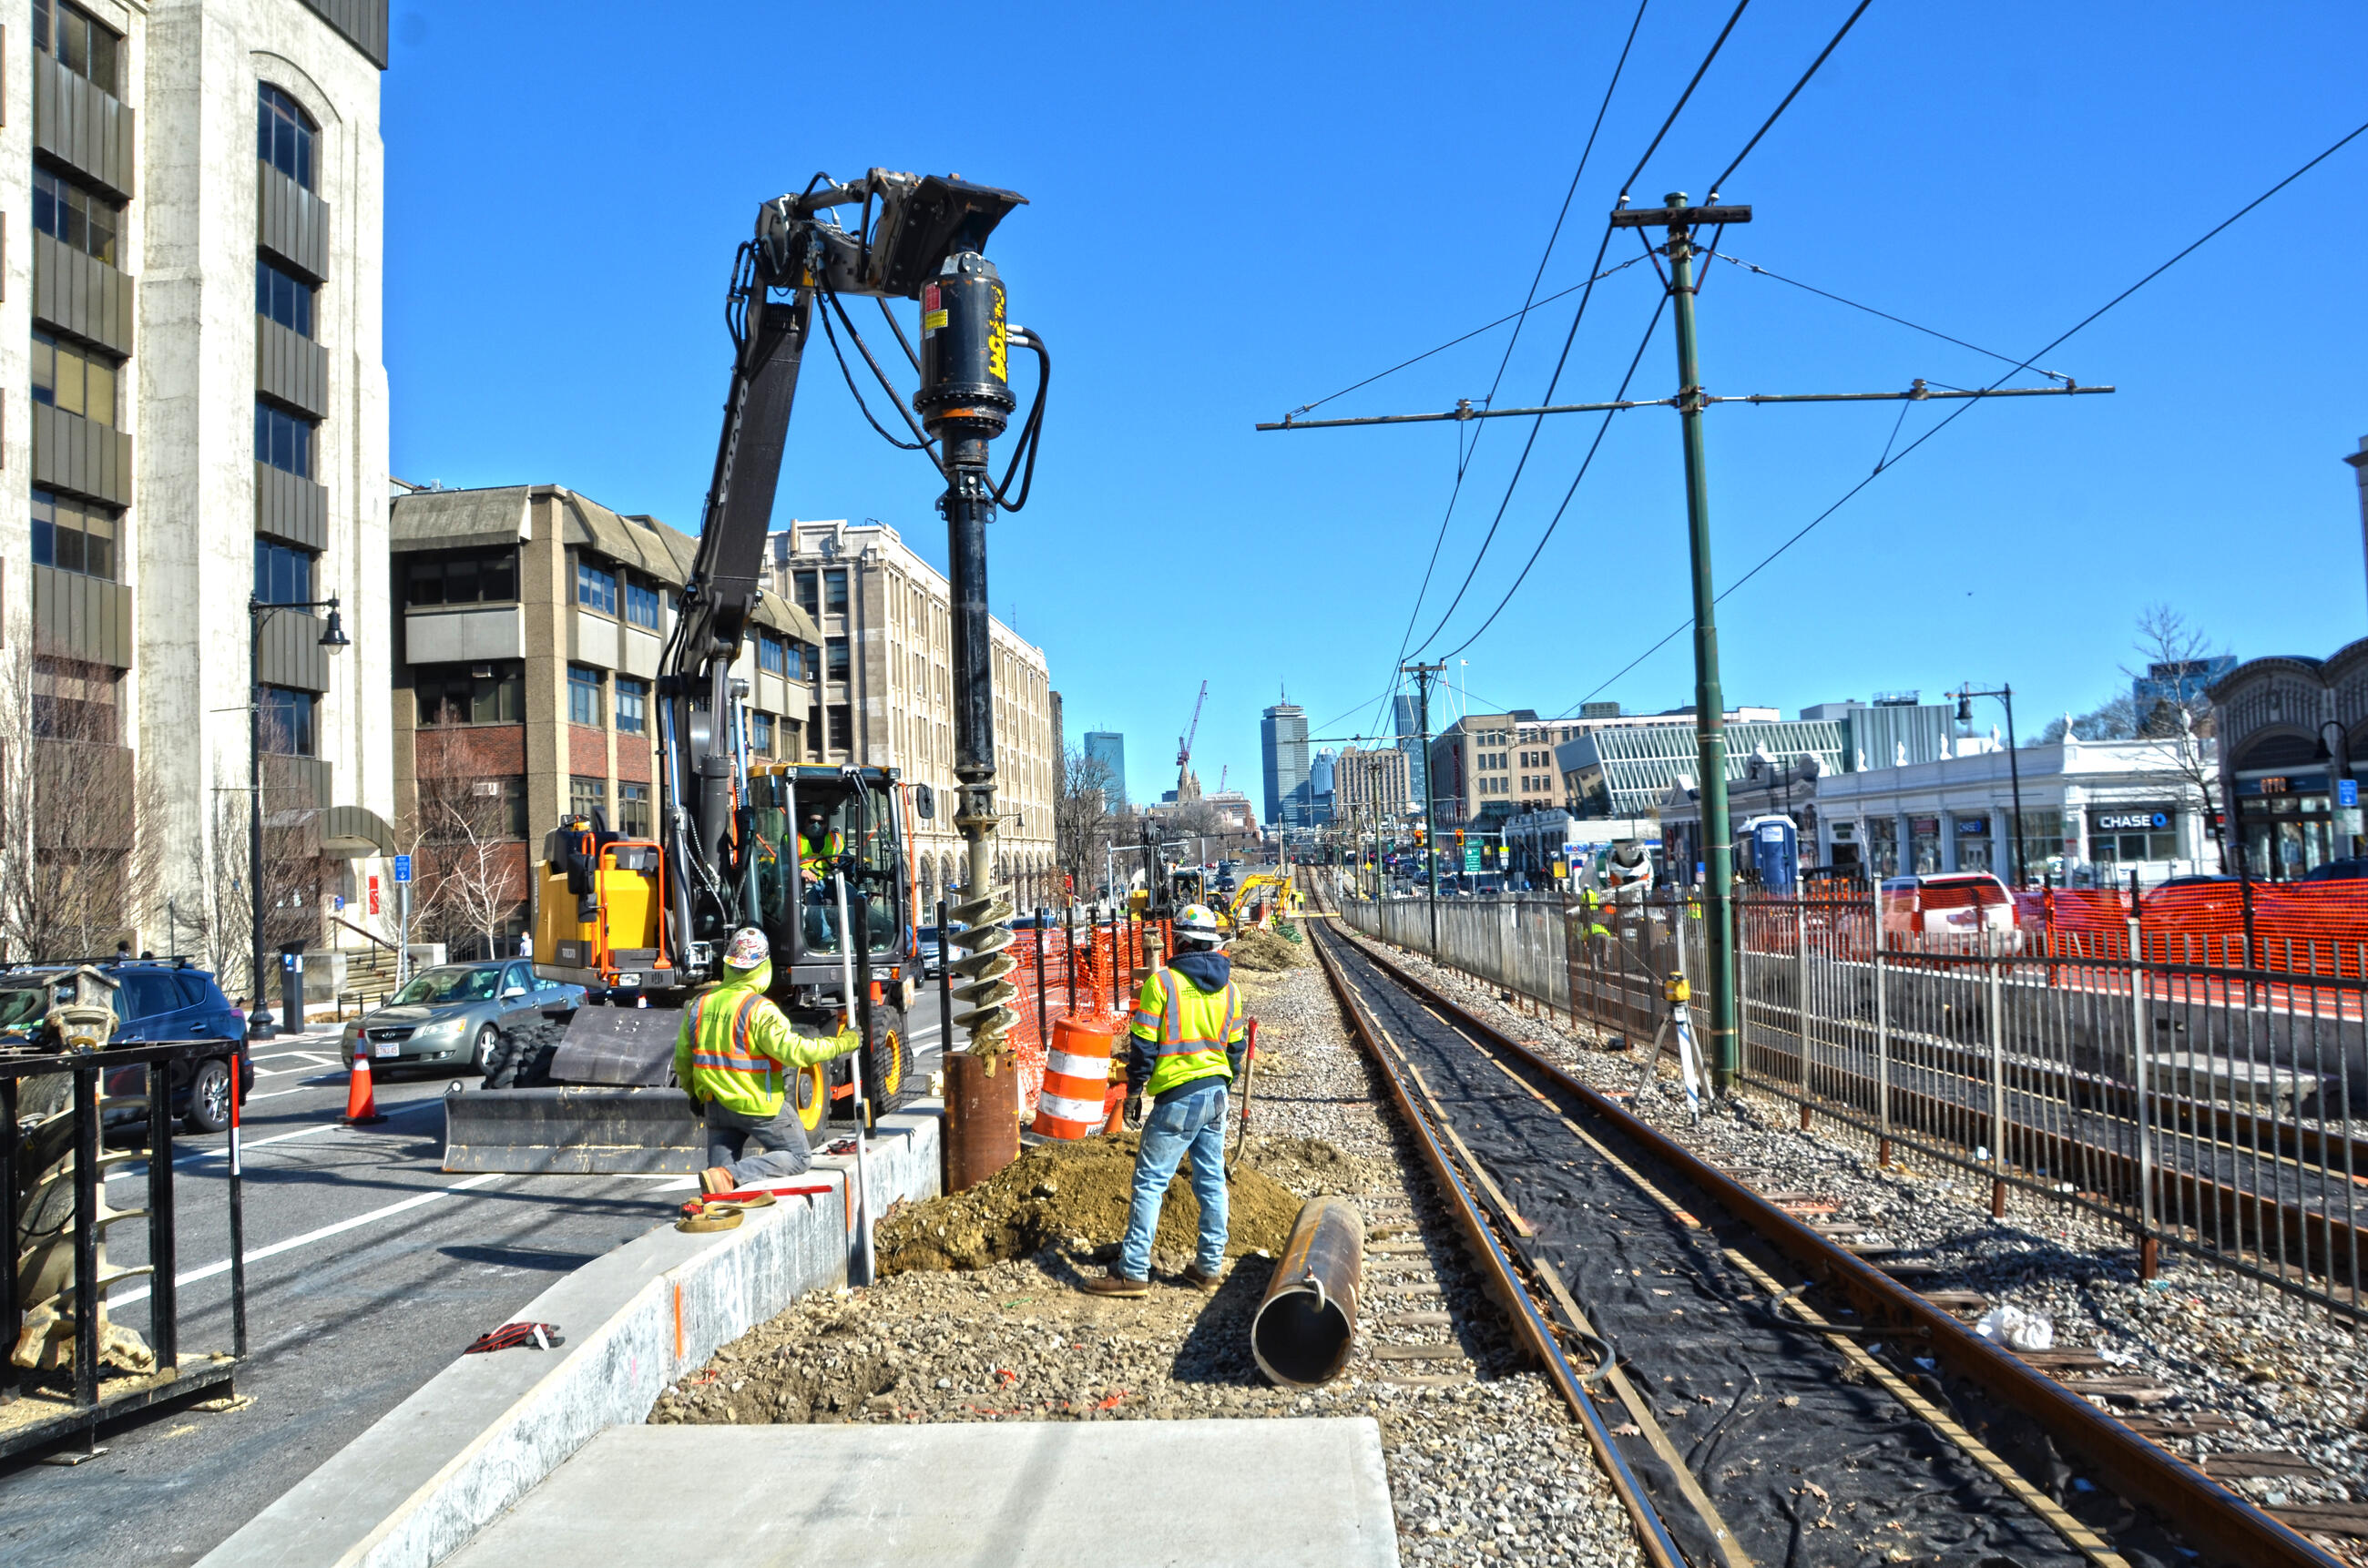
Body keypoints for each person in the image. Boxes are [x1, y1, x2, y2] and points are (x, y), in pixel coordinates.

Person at [1082, 902, 1250, 1298]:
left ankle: (1134, 1271)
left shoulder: (1163, 985)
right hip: (1216, 1095)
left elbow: (1142, 1049)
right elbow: (1236, 1049)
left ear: (1182, 941)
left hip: (1177, 1096)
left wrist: (1136, 1091)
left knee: (1150, 1182)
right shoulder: (1231, 989)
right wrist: (1223, 1085)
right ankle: (1209, 1268)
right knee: (1211, 1181)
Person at [675, 927, 862, 1196]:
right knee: (798, 1156)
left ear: (729, 963)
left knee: (719, 1191)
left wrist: (693, 1092)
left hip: (716, 1105)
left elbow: (683, 1059)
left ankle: (721, 1196)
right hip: (758, 1105)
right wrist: (843, 1043)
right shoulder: (760, 1010)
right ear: (763, 966)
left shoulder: (699, 1005)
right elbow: (795, 1051)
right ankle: (732, 1175)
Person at [799, 811, 843, 950]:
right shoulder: (792, 838)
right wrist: (800, 871)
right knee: (812, 896)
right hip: (805, 883)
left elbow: (847, 862)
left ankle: (852, 936)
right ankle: (825, 939)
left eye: (820, 822)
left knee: (853, 894)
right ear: (805, 822)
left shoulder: (835, 840)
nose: (816, 825)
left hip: (833, 881)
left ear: (826, 824)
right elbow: (782, 865)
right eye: (812, 821)